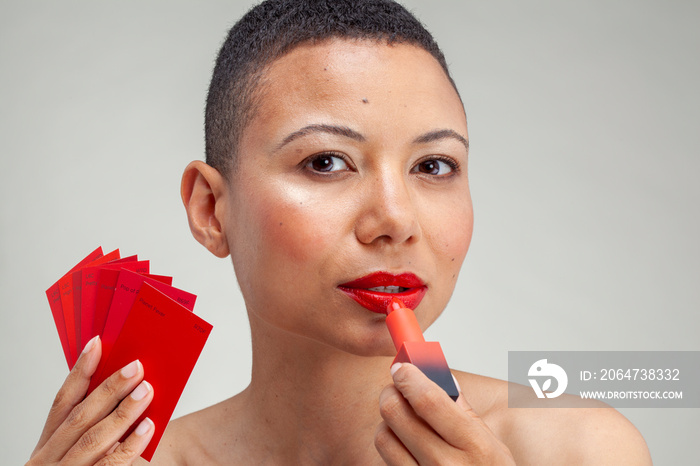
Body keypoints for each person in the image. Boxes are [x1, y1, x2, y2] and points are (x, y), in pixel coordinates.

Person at [27, 0, 652, 464]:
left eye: (433, 166)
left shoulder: (575, 445)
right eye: (326, 162)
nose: (395, 220)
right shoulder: (138, 461)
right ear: (211, 210)